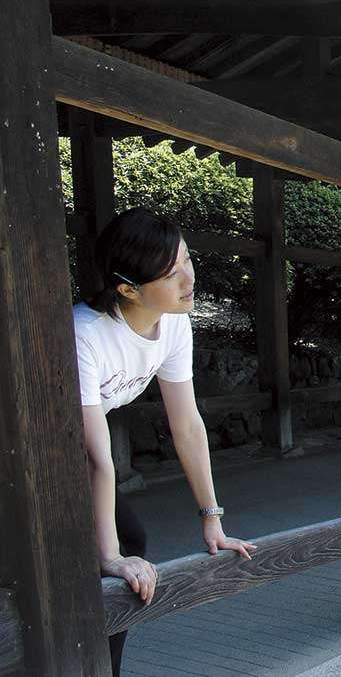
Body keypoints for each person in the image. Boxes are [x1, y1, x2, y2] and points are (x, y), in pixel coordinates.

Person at [75, 209, 256, 675]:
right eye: (171, 273)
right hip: (24, 456)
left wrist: (212, 520)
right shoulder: (84, 336)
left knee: (125, 541)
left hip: (66, 454)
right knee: (109, 549)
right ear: (128, 289)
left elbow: (188, 425)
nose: (188, 279)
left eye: (187, 261)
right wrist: (112, 556)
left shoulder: (173, 322)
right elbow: (97, 459)